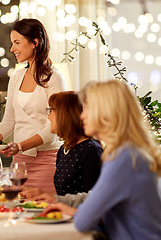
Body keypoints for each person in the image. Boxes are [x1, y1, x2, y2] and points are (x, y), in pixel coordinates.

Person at [42, 80, 161, 239]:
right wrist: (72, 210)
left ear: (105, 112)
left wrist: (77, 213)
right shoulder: (130, 152)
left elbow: (84, 222)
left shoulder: (123, 158)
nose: (82, 114)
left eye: (87, 108)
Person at [0, 18, 66, 193]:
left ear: (35, 43)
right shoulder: (16, 77)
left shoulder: (54, 78)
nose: (12, 49)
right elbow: (9, 121)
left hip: (47, 161)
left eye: (17, 42)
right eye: (12, 43)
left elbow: (53, 126)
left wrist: (20, 145)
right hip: (19, 163)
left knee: (42, 212)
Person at [47, 91, 102, 195]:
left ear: (65, 114)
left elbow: (96, 198)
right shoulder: (63, 150)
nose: (48, 116)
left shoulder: (90, 150)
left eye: (51, 111)